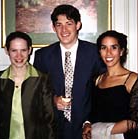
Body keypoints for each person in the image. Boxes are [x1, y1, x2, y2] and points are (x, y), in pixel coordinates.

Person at [33, 4, 105, 139]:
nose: (64, 29)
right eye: (59, 25)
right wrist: (53, 100)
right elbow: (37, 92)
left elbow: (103, 92)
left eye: (69, 23)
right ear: (53, 28)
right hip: (53, 127)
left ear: (78, 25)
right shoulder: (42, 56)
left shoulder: (95, 53)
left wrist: (90, 121)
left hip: (86, 127)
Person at [0, 31, 57, 139]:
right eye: (14, 50)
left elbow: (49, 119)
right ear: (6, 51)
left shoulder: (43, 79)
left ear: (29, 50)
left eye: (23, 50)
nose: (19, 55)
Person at [82, 30, 138, 139]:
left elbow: (136, 122)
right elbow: (92, 113)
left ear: (121, 51)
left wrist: (100, 131)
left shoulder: (133, 80)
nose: (108, 53)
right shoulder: (97, 80)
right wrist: (87, 124)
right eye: (104, 48)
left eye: (114, 47)